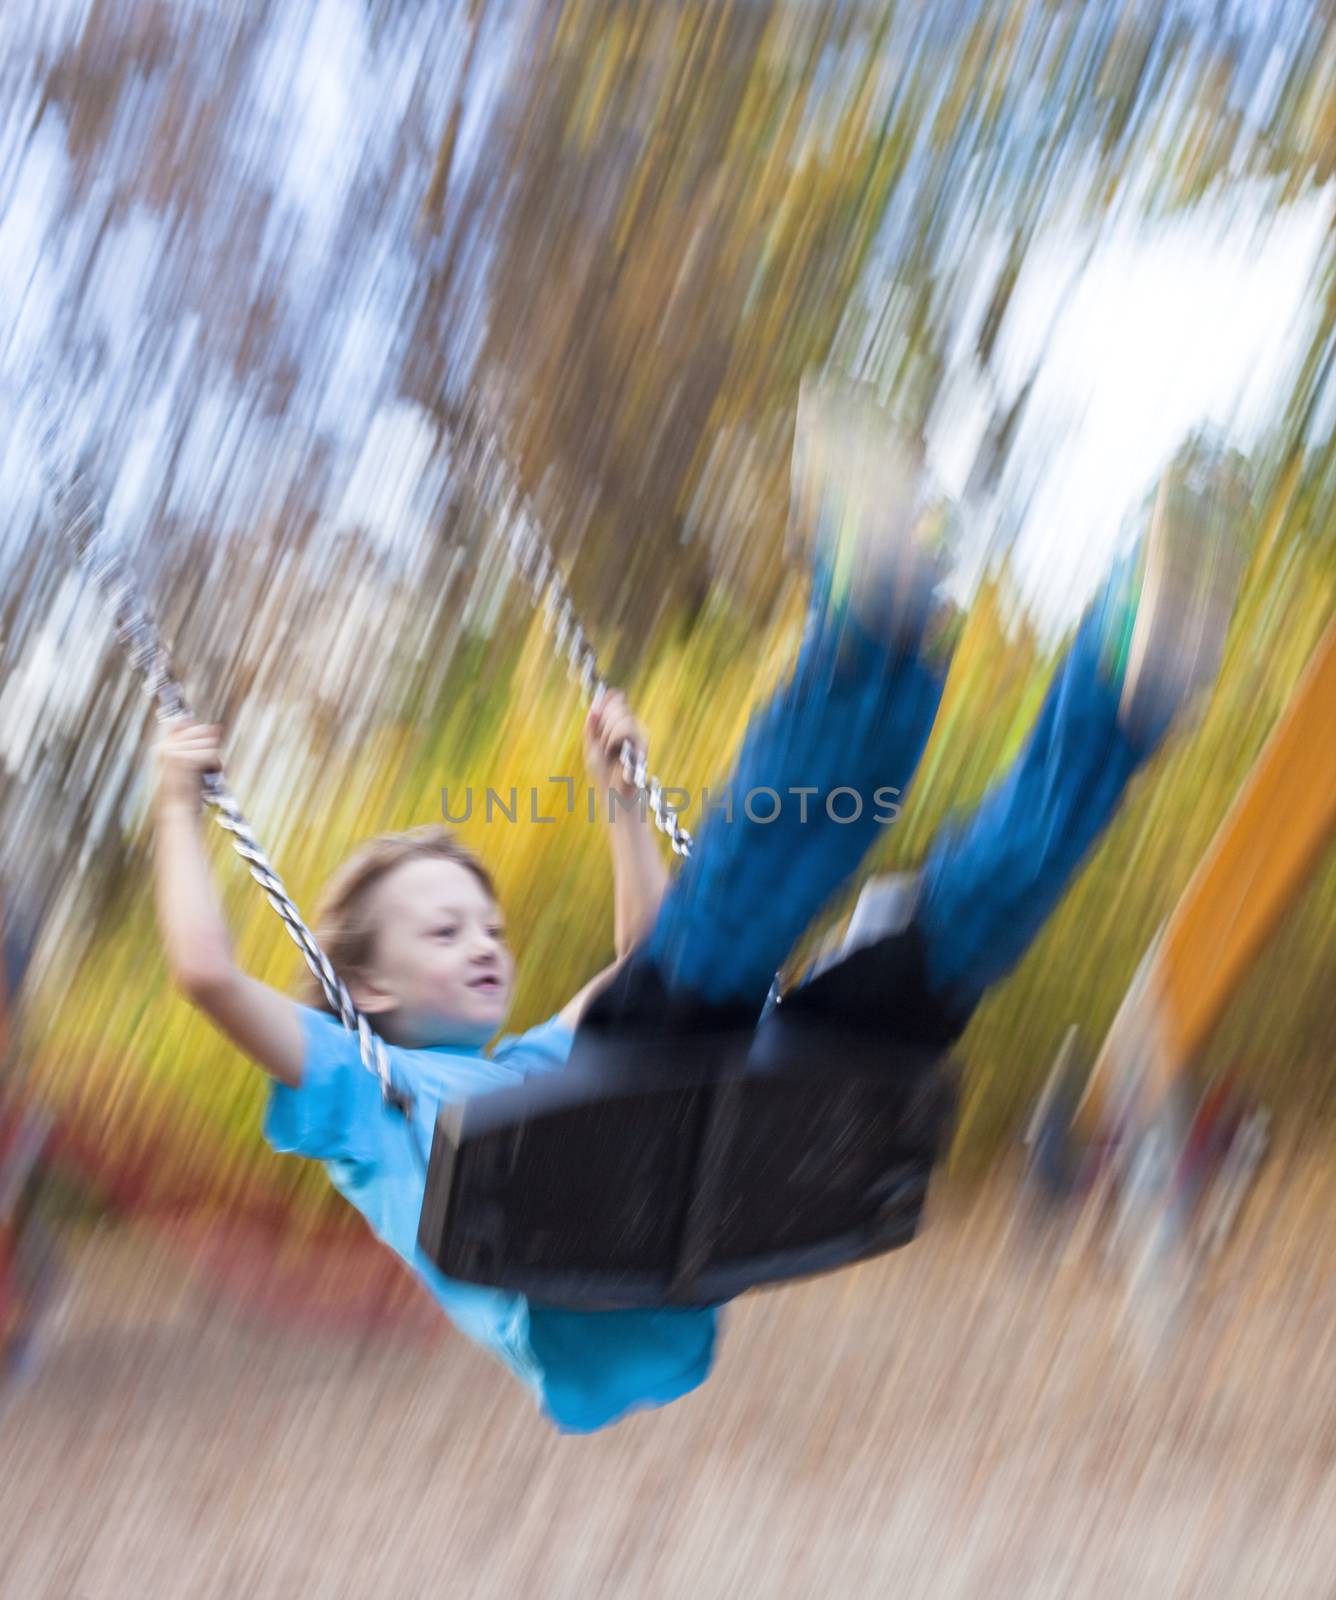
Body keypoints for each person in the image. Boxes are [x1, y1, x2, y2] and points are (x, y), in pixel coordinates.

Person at [152, 385, 1246, 1433]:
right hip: (602, 1227)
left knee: (929, 952)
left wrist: (624, 801)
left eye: (485, 924)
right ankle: (869, 641)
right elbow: (204, 969)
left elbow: (642, 953)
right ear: (368, 986)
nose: (484, 942)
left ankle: (1116, 694)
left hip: (680, 1179)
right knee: (707, 949)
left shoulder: (529, 1071)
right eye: (443, 931)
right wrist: (173, 801)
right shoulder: (354, 1086)